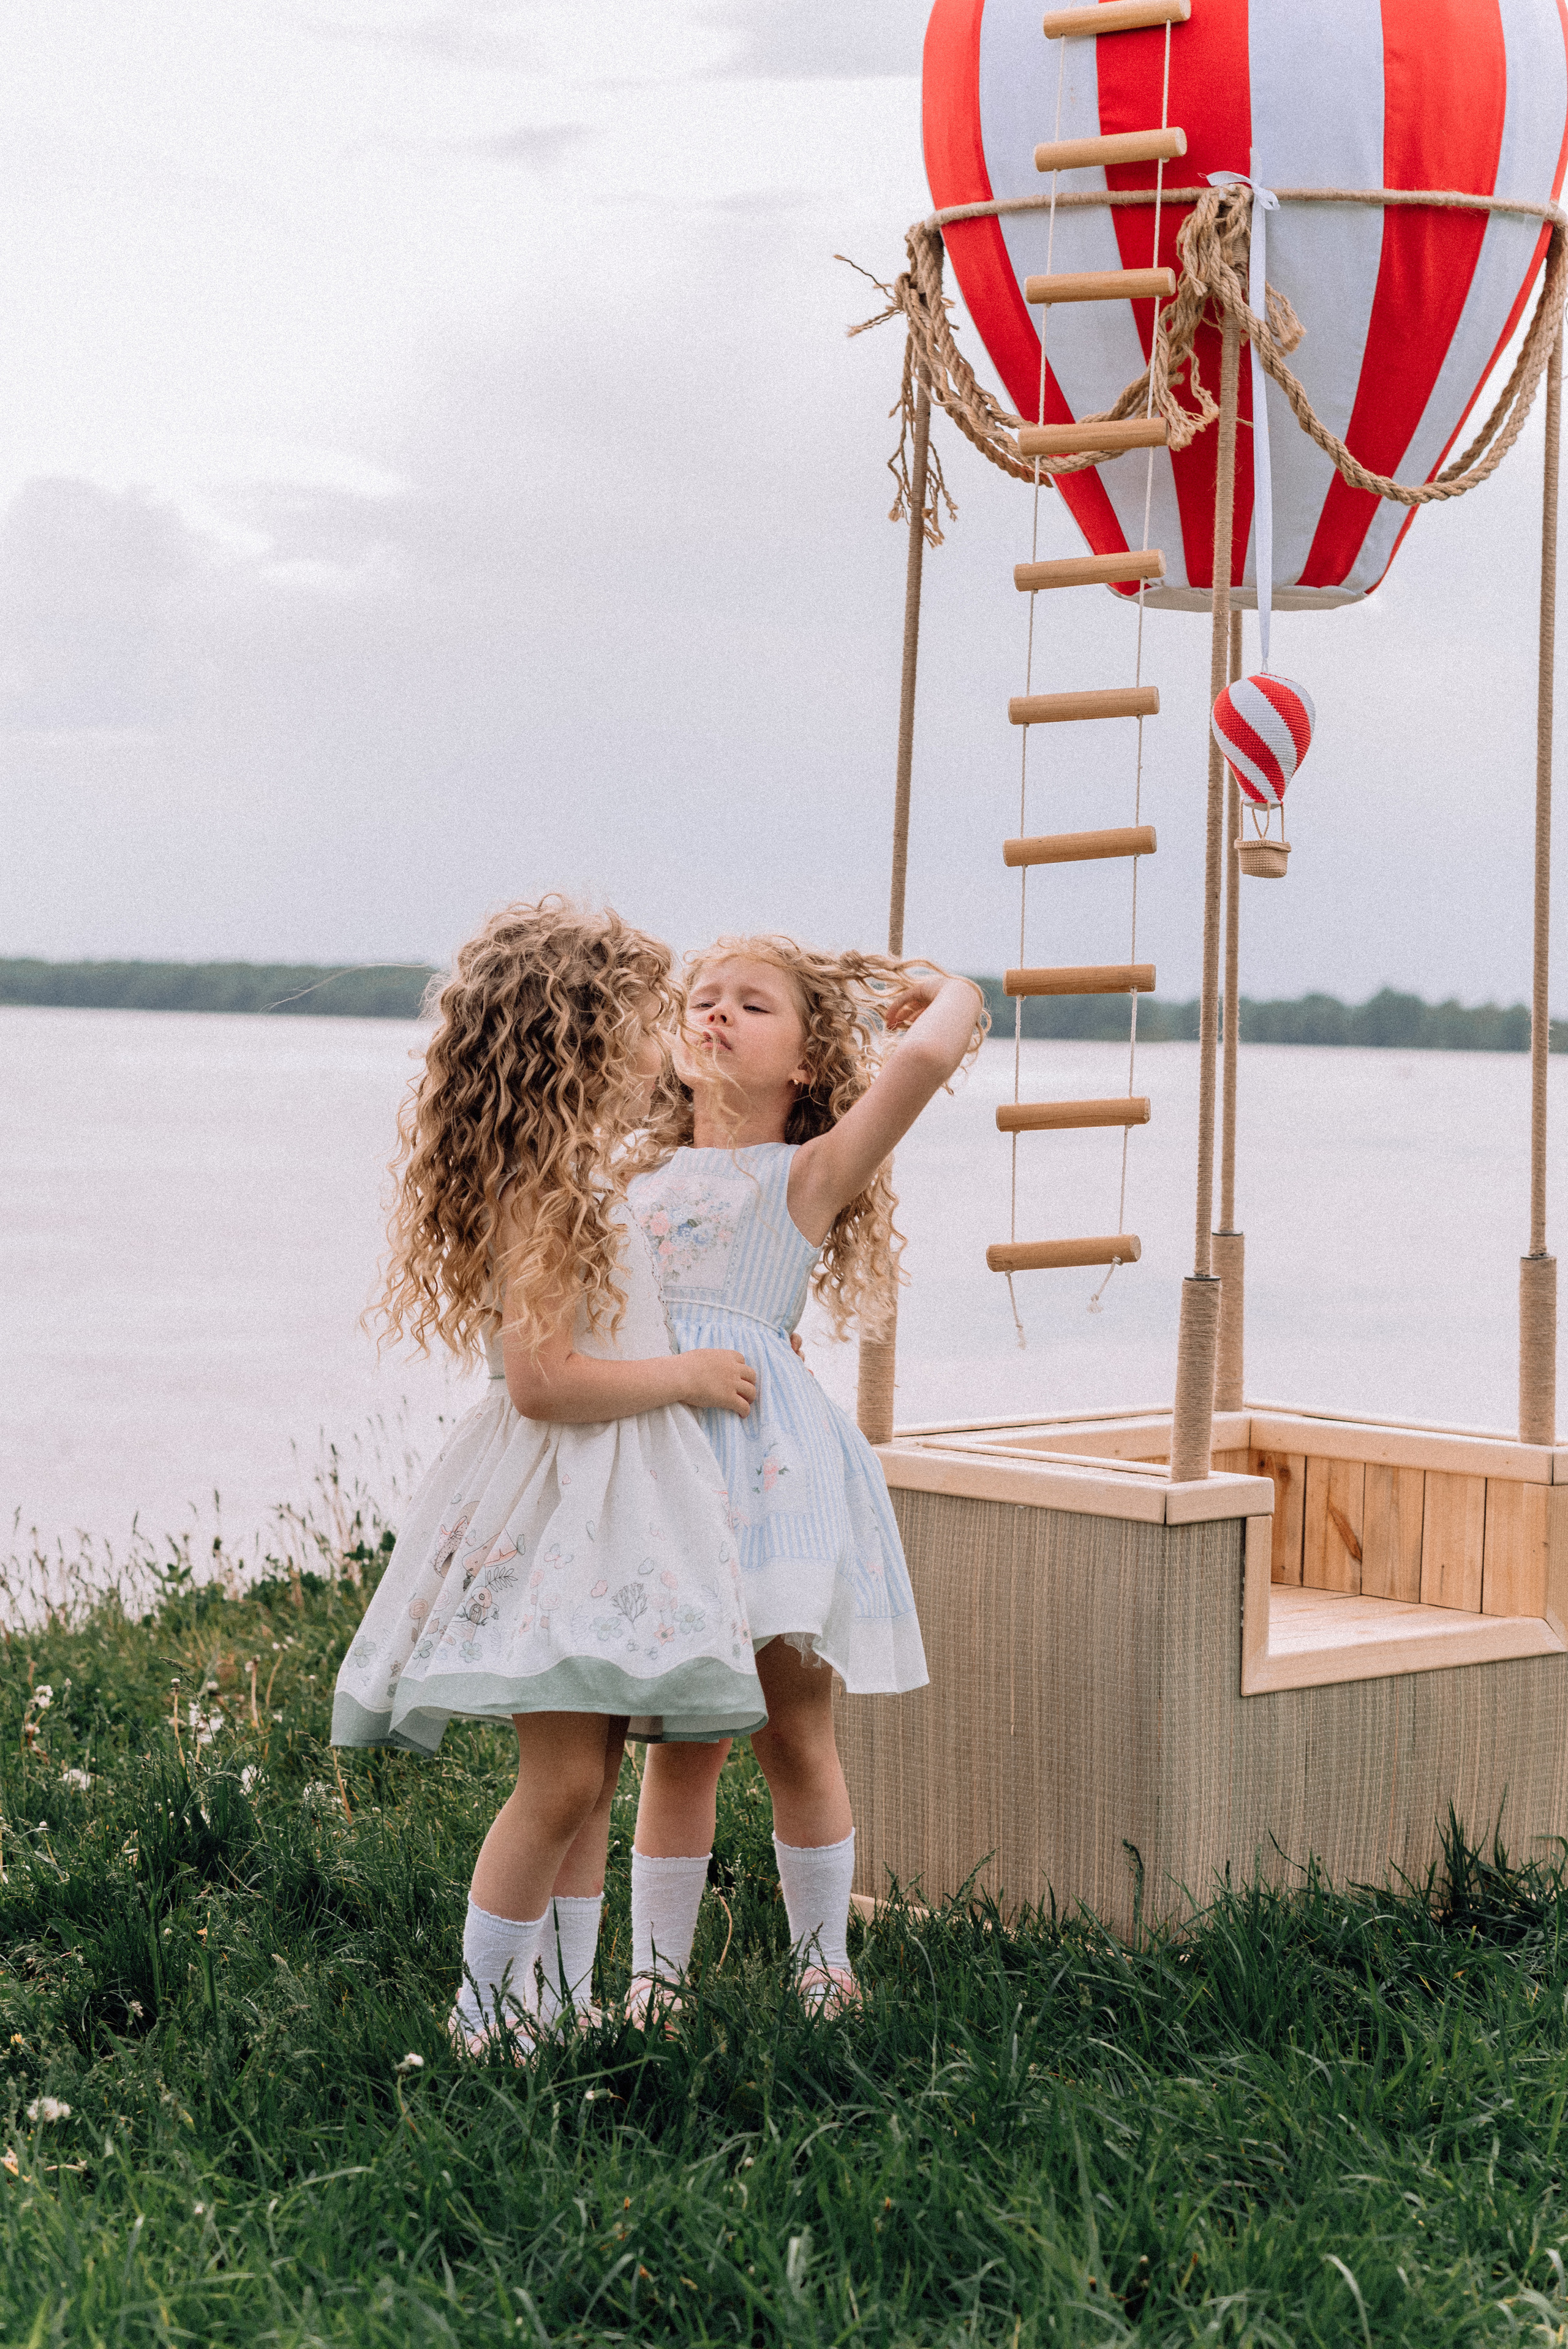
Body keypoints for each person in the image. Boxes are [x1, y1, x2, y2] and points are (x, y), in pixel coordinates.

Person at [331, 898, 766, 2050]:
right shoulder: (541, 1190)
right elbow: (542, 1380)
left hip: (611, 1506)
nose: (668, 1041)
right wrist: (685, 1375)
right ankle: (484, 2008)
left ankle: (564, 2002)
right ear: (583, 1041)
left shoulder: (578, 1176)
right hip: (564, 1505)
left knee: (594, 1773)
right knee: (564, 1780)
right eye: (649, 1021)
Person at [623, 936, 985, 2014]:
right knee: (683, 1743)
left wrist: (956, 991)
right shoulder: (631, 1177)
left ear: (806, 1063)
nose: (718, 1014)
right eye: (703, 1000)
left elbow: (923, 1061)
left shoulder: (808, 1173)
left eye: (753, 1004)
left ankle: (824, 1966)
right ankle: (655, 1980)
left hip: (773, 1478)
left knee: (793, 1732)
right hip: (665, 1474)